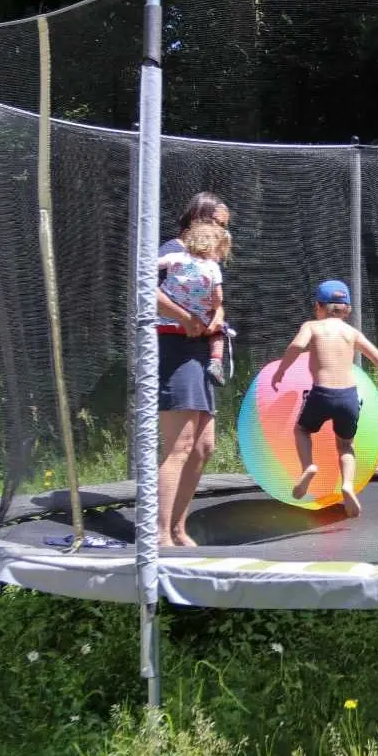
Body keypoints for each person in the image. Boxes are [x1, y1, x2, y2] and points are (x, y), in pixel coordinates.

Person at [271, 280, 378, 517]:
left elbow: (296, 346)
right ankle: (347, 484)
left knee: (302, 430)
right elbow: (377, 357)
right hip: (348, 397)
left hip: (322, 393)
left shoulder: (312, 327)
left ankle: (309, 466)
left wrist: (281, 370)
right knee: (346, 445)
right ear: (347, 309)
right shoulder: (351, 333)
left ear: (318, 306)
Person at [155, 192, 232, 546]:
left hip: (202, 349)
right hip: (176, 346)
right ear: (199, 219)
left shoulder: (208, 257)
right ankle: (158, 534)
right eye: (219, 223)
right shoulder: (171, 250)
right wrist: (184, 318)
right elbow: (145, 290)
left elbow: (216, 301)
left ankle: (177, 527)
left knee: (203, 446)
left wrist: (216, 318)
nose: (223, 231)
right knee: (181, 443)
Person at [158, 212, 233, 386]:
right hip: (200, 321)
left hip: (167, 321)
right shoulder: (212, 267)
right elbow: (217, 296)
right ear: (213, 248)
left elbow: (151, 265)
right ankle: (216, 361)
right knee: (219, 331)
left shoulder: (175, 257)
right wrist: (215, 306)